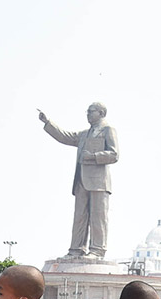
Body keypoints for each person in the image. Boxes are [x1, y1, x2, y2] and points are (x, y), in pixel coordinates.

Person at [38, 103, 120, 259]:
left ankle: (97, 250)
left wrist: (94, 156)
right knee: (79, 216)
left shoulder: (108, 130)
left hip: (99, 182)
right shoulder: (83, 134)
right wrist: (48, 122)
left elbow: (114, 154)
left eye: (91, 111)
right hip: (81, 180)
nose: (87, 114)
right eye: (87, 111)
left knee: (98, 217)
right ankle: (76, 249)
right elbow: (64, 137)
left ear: (101, 113)